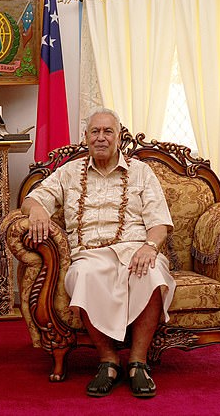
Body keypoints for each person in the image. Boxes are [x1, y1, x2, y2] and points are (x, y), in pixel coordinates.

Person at [21, 107, 175, 399]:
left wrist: (149, 247)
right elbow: (33, 199)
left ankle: (138, 363)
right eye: (95, 132)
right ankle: (107, 361)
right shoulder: (68, 172)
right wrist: (39, 211)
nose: (101, 138)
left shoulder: (142, 172)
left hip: (135, 249)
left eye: (108, 132)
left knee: (152, 271)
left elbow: (159, 224)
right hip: (89, 254)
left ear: (119, 137)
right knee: (83, 275)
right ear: (86, 137)